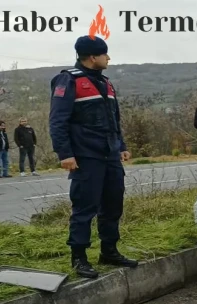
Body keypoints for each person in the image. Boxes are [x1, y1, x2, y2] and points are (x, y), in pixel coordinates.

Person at [49, 35, 139, 278]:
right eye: (105, 54)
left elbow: (114, 119)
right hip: (86, 156)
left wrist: (121, 145)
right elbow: (58, 121)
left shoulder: (106, 83)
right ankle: (79, 258)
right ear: (92, 57)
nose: (108, 58)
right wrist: (65, 153)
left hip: (110, 154)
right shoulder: (68, 80)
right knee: (84, 208)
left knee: (113, 204)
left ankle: (109, 251)